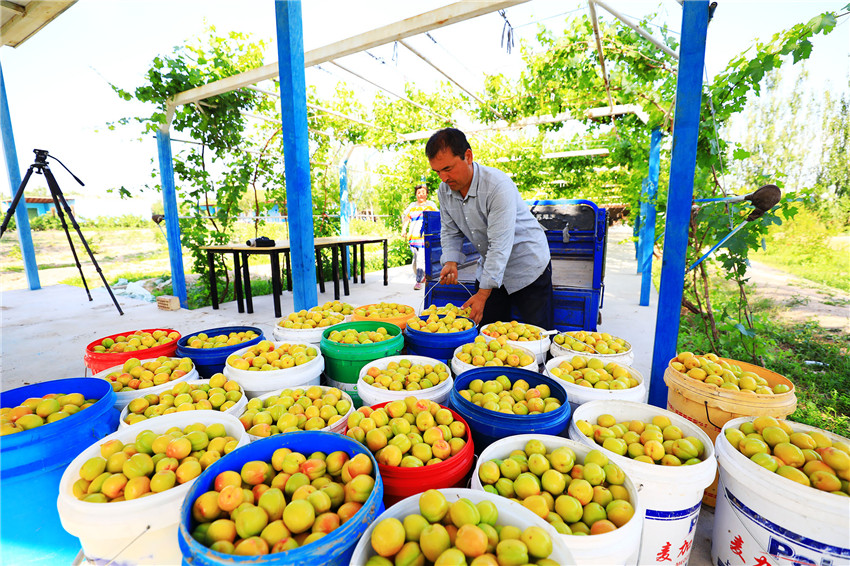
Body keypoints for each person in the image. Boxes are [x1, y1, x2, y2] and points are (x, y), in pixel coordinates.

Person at [426, 128, 554, 328]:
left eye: (448, 169)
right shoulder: (445, 191)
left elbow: (499, 246)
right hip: (491, 267)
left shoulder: (497, 185)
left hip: (527, 266)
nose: (443, 178)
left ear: (468, 156)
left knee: (536, 335)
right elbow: (450, 230)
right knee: (486, 334)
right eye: (437, 172)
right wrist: (450, 261)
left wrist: (483, 294)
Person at [401, 184, 438, 290]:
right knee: (416, 259)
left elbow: (436, 218)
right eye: (418, 192)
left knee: (421, 258)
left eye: (423, 192)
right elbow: (406, 219)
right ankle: (421, 275)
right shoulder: (412, 206)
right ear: (416, 194)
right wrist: (403, 230)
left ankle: (419, 280)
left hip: (425, 237)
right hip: (414, 237)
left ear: (426, 194)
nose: (421, 194)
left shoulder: (431, 205)